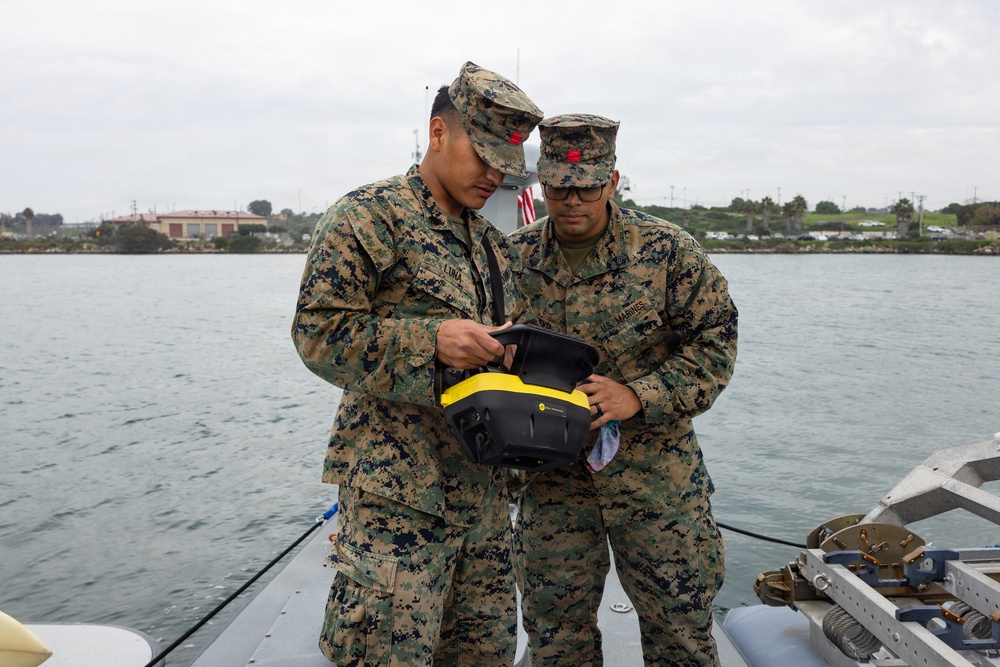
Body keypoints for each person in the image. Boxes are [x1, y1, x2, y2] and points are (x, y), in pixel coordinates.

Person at [291, 62, 543, 667]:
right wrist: (431, 341)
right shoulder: (366, 218)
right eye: (483, 155)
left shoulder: (488, 243)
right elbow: (317, 333)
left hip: (483, 499)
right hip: (397, 505)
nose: (496, 175)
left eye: (507, 163)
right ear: (437, 134)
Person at [509, 114, 738, 666]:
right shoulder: (509, 257)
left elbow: (716, 344)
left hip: (657, 483)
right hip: (550, 483)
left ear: (613, 181)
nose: (573, 200)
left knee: (680, 634)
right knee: (555, 639)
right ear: (543, 183)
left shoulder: (668, 252)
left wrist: (639, 395)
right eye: (560, 187)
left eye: (588, 185)